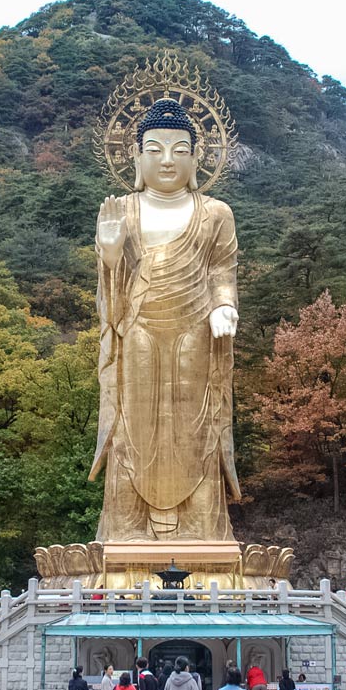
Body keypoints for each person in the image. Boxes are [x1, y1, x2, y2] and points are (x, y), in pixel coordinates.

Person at [90, 99, 240, 544]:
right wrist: (111, 253)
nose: (168, 160)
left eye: (179, 149)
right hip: (136, 329)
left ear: (196, 158)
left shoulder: (216, 213)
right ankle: (126, 533)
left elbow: (222, 270)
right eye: (155, 149)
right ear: (136, 159)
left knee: (198, 426)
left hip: (197, 330)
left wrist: (224, 306)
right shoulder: (123, 210)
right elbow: (109, 281)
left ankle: (202, 534)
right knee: (132, 426)